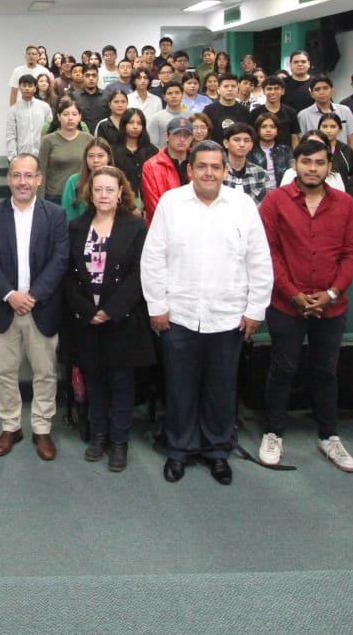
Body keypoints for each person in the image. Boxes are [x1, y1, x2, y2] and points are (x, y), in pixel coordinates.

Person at [143, 140, 272, 484]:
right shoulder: (172, 204)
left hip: (228, 316)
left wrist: (255, 308)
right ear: (190, 170)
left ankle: (217, 450)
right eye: (202, 166)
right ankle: (180, 449)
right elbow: (153, 258)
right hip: (179, 314)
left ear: (225, 171)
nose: (209, 172)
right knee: (180, 387)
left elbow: (259, 260)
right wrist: (157, 306)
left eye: (216, 167)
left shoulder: (242, 206)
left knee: (221, 387)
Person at [256, 139, 353, 472]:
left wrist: (331, 293)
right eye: (307, 162)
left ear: (329, 167)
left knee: (326, 370)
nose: (313, 168)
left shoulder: (344, 203)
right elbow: (267, 252)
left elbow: (352, 253)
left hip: (331, 305)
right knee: (283, 369)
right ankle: (274, 431)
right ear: (296, 164)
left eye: (319, 162)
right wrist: (293, 293)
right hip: (287, 303)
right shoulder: (275, 201)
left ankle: (329, 435)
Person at [0, 155, 69, 461]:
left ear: (39, 180)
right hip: (4, 308)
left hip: (41, 308)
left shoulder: (55, 215)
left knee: (45, 373)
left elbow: (60, 258)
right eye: (16, 175)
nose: (22, 182)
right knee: (5, 372)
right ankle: (11, 426)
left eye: (29, 176)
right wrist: (9, 294)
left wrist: (33, 295)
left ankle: (42, 429)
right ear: (8, 179)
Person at [65, 166, 153, 474]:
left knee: (120, 383)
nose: (103, 195)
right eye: (98, 189)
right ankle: (98, 436)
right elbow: (69, 276)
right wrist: (89, 311)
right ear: (90, 192)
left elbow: (139, 274)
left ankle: (119, 442)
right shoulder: (76, 227)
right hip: (86, 320)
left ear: (120, 194)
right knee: (94, 381)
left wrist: (111, 310)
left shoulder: (135, 227)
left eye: (109, 190)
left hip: (122, 319)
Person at [37, 98, 92, 207]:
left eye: (74, 114)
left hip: (80, 195)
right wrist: (39, 200)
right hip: (54, 195)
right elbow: (41, 170)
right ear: (58, 116)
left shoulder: (88, 139)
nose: (70, 118)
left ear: (80, 117)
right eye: (65, 114)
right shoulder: (48, 140)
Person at [140, 115, 193, 226]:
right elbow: (153, 206)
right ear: (167, 136)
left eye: (186, 135)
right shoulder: (151, 166)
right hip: (163, 228)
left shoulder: (198, 163)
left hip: (194, 226)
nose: (182, 139)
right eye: (177, 134)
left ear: (192, 138)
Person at [296, 76, 353, 157]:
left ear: (332, 91)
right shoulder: (303, 115)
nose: (322, 92)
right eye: (317, 89)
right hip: (314, 157)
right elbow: (301, 142)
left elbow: (351, 139)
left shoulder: (345, 110)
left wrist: (351, 159)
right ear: (312, 94)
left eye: (325, 88)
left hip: (341, 155)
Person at [219, 121, 273, 205]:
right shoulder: (216, 172)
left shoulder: (261, 174)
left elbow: (266, 206)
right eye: (237, 140)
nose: (242, 144)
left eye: (246, 140)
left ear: (251, 145)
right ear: (226, 143)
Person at [111, 108, 158, 205]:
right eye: (131, 123)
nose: (135, 127)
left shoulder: (152, 150)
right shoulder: (113, 151)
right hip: (122, 203)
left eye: (139, 123)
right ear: (124, 125)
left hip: (150, 202)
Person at [62, 137, 114, 220]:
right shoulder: (74, 181)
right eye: (91, 156)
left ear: (109, 157)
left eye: (100, 156)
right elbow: (68, 215)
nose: (96, 160)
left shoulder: (117, 179)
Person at [6, 74, 53, 162]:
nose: (27, 88)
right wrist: (13, 157)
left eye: (30, 86)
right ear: (19, 88)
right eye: (24, 86)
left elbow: (51, 130)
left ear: (35, 88)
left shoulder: (44, 106)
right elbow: (11, 135)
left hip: (42, 154)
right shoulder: (13, 110)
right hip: (21, 155)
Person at [202, 72, 252, 140]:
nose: (230, 89)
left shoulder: (244, 111)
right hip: (214, 149)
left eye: (233, 86)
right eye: (226, 86)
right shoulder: (208, 110)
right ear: (218, 90)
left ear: (237, 89)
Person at [250, 112, 292, 188]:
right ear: (257, 130)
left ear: (277, 130)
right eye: (264, 127)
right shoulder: (250, 151)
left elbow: (291, 174)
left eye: (272, 127)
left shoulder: (286, 150)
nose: (268, 130)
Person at [71, 65, 110, 132]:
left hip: (103, 136)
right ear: (83, 77)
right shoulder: (74, 96)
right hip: (81, 136)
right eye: (87, 76)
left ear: (98, 77)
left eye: (94, 75)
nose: (91, 78)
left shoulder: (107, 96)